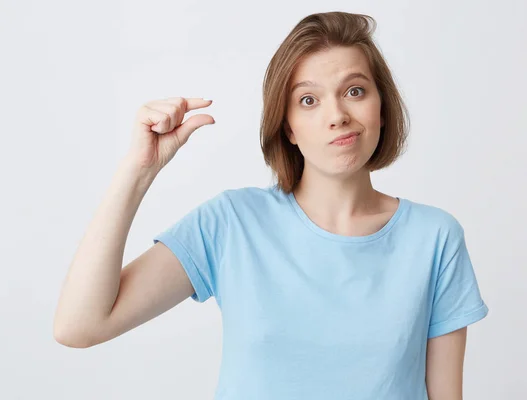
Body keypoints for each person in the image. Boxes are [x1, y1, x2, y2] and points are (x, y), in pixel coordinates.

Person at [54, 11, 489, 400]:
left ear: (382, 107)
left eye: (355, 91)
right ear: (289, 128)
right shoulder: (231, 224)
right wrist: (138, 171)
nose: (336, 115)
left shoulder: (434, 238)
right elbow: (80, 327)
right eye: (309, 100)